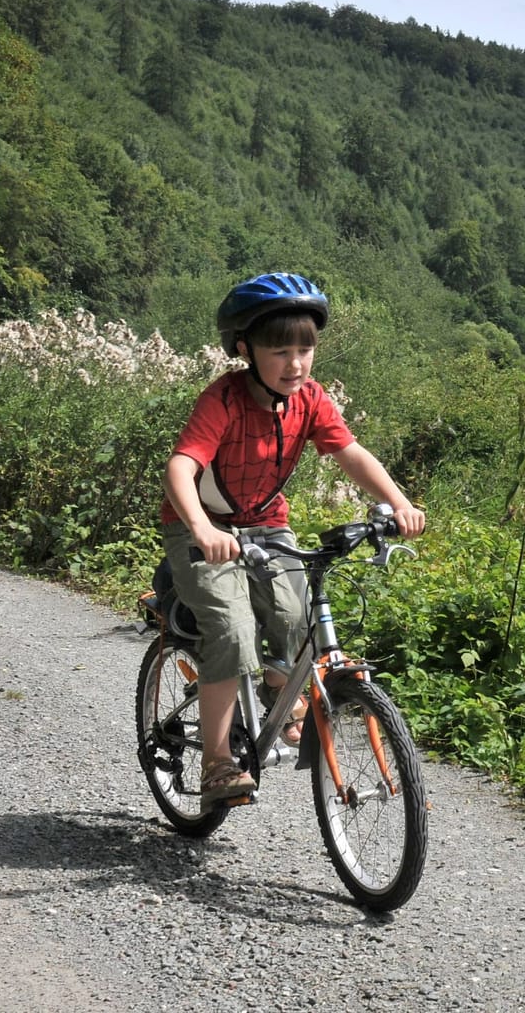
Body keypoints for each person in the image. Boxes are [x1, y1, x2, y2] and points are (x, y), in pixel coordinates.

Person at [160, 272, 426, 804]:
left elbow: (349, 452)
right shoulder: (225, 399)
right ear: (245, 349)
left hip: (266, 521)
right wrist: (203, 529)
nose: (296, 365)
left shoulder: (310, 399)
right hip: (202, 525)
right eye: (280, 351)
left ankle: (279, 694)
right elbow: (182, 467)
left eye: (306, 350)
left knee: (294, 615)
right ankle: (216, 762)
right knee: (233, 631)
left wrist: (397, 501)